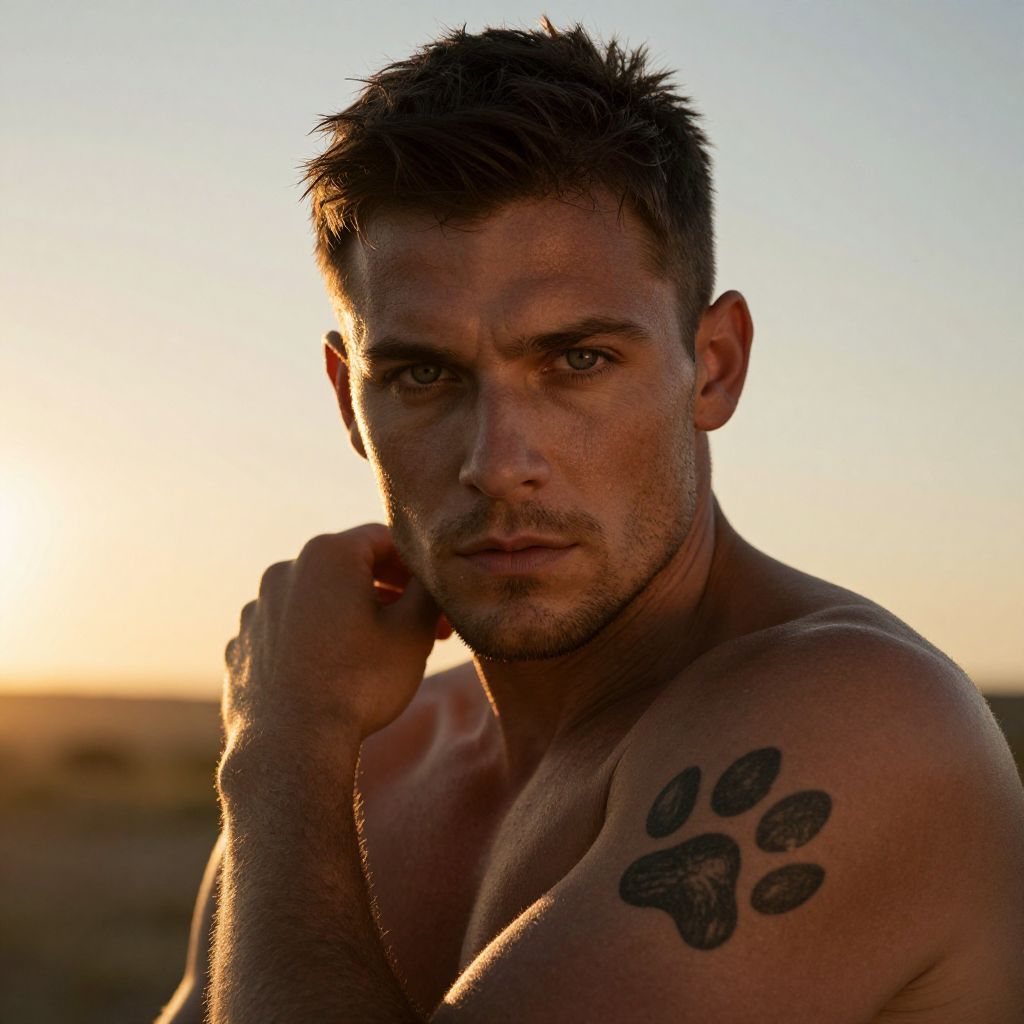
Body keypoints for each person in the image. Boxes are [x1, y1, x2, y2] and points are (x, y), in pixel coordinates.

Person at [157, 20, 1023, 1024]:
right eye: (424, 374)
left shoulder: (858, 723)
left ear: (714, 364)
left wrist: (280, 752)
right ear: (350, 399)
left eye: (577, 361)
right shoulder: (369, 768)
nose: (498, 463)